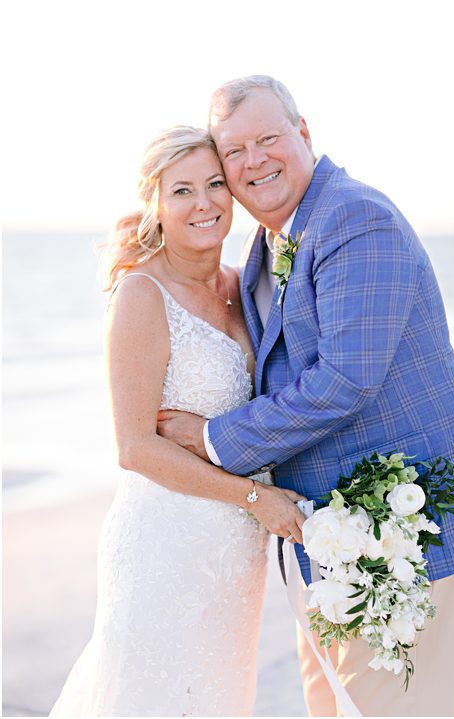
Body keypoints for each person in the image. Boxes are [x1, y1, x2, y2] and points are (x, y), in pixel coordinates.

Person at [156, 76, 454, 717]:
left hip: (406, 524)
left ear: (304, 134)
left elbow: (346, 381)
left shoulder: (354, 219)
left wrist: (213, 438)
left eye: (268, 139)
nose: (254, 161)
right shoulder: (270, 241)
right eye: (235, 152)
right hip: (323, 535)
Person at [50, 126, 307, 716]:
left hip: (233, 552)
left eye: (216, 184)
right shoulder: (142, 293)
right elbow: (135, 448)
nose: (205, 203)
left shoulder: (245, 286)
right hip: (165, 539)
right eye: (183, 190)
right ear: (157, 206)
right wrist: (254, 499)